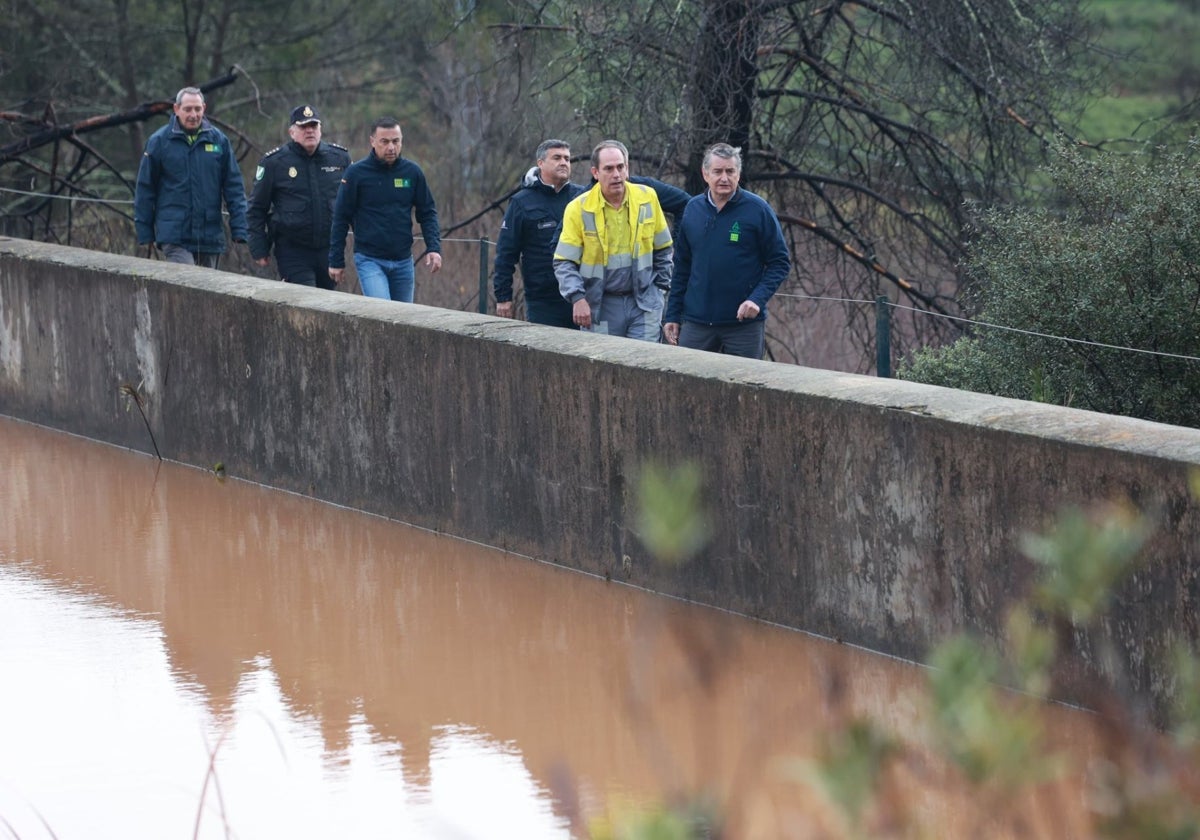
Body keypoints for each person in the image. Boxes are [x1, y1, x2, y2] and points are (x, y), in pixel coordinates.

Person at [663, 143, 790, 359]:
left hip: (742, 325)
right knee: (687, 387)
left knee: (746, 389)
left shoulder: (758, 210)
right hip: (696, 323)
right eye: (718, 171)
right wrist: (672, 314)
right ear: (705, 174)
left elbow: (780, 262)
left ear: (738, 174)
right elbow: (682, 266)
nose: (724, 178)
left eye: (730, 171)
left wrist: (756, 300)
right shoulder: (692, 210)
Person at [553, 140, 673, 340]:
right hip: (600, 304)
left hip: (643, 303)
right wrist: (578, 298)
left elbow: (664, 248)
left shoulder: (647, 197)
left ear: (627, 169)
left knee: (645, 366)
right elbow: (563, 261)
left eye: (620, 167)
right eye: (608, 168)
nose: (616, 174)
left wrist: (660, 290)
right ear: (595, 173)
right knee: (604, 367)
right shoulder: (578, 208)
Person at [328, 118, 442, 301]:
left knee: (404, 321)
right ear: (373, 141)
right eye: (385, 141)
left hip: (403, 260)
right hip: (370, 259)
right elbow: (341, 218)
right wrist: (336, 260)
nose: (391, 147)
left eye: (396, 141)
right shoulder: (356, 174)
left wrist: (434, 248)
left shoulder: (412, 173)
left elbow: (427, 212)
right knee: (383, 314)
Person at [134, 87, 249, 267]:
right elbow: (145, 188)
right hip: (175, 235)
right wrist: (145, 231)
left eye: (197, 109)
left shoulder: (219, 141)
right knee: (187, 284)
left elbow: (234, 187)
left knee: (207, 291)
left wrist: (240, 228)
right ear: (176, 109)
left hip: (209, 234)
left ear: (204, 108)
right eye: (188, 109)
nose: (193, 114)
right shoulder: (159, 142)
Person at [246, 104, 351, 289]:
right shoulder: (274, 163)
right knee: (306, 301)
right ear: (292, 132)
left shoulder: (339, 159)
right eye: (303, 127)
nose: (309, 130)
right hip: (293, 250)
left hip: (329, 248)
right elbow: (256, 208)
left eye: (313, 126)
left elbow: (354, 203)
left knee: (328, 306)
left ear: (320, 130)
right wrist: (258, 247)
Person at [493, 139, 586, 328]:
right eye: (557, 158)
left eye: (567, 159)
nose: (564, 163)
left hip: (583, 297)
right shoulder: (521, 202)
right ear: (540, 163)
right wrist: (503, 297)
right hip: (543, 301)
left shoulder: (583, 197)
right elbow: (506, 253)